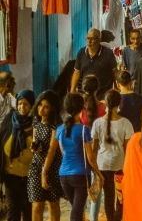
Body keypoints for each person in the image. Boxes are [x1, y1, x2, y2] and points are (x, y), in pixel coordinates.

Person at [53, 93, 102, 221]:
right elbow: (90, 157)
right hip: (80, 174)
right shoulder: (83, 130)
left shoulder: (59, 130)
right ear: (82, 108)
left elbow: (63, 152)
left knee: (76, 210)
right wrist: (99, 174)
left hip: (63, 175)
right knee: (76, 212)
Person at [91, 89, 133, 221]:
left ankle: (111, 219)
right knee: (121, 197)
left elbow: (93, 149)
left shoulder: (97, 123)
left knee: (108, 197)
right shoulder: (125, 123)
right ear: (119, 103)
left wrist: (94, 168)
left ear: (105, 104)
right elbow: (128, 149)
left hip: (102, 165)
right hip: (120, 165)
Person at [28, 90, 64, 221]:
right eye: (40, 105)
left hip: (52, 167)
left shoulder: (56, 124)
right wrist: (35, 148)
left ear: (53, 109)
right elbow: (34, 140)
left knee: (53, 204)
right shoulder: (36, 121)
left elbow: (52, 149)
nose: (41, 109)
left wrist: (44, 173)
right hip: (37, 165)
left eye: (46, 106)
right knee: (37, 205)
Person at [0, 89, 35, 221]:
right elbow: (1, 139)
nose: (22, 107)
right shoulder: (10, 119)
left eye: (25, 104)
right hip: (10, 175)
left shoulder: (35, 122)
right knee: (12, 212)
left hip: (29, 176)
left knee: (27, 212)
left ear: (31, 105)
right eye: (19, 103)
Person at [71, 28, 117, 98]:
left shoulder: (108, 53)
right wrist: (72, 91)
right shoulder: (81, 52)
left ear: (99, 40)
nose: (89, 42)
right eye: (87, 38)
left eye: (92, 39)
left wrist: (116, 87)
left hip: (103, 95)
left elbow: (114, 72)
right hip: (85, 95)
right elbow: (77, 72)